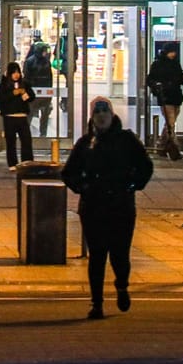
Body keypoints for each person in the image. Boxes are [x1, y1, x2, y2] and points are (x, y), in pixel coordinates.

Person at [61, 96, 153, 320]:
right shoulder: (85, 144)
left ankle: (122, 285)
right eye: (97, 112)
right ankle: (97, 302)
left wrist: (133, 184)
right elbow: (68, 172)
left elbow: (145, 166)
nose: (101, 116)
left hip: (121, 206)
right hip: (93, 207)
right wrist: (82, 187)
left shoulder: (126, 140)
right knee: (97, 256)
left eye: (105, 111)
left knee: (120, 254)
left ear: (112, 115)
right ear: (92, 117)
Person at [145, 43, 183, 161]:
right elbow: (150, 79)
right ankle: (174, 148)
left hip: (176, 97)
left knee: (170, 124)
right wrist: (158, 87)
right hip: (166, 97)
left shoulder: (175, 64)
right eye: (172, 52)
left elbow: (180, 79)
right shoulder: (158, 64)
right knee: (171, 123)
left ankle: (161, 146)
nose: (174, 54)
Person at [0, 60, 34, 167]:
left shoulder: (24, 83)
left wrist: (25, 94)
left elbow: (32, 97)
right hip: (9, 117)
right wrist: (13, 93)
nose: (16, 75)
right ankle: (12, 163)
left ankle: (27, 162)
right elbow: (0, 98)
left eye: (18, 72)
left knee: (26, 140)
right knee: (11, 141)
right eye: (14, 72)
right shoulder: (4, 85)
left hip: (22, 116)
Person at [24, 39, 55, 136]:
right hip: (38, 92)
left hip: (40, 92)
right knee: (37, 114)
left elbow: (26, 76)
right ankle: (41, 133)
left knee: (35, 113)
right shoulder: (40, 62)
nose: (46, 53)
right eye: (44, 50)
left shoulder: (31, 61)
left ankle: (39, 133)